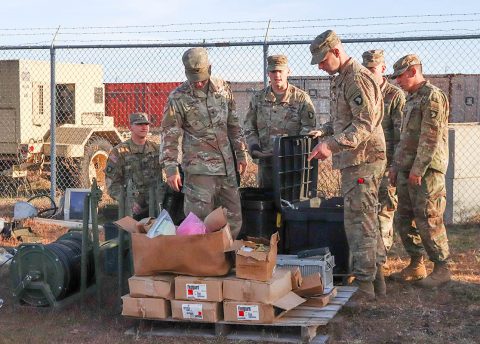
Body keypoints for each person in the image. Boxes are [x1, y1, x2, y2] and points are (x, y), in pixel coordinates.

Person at [307, 30, 386, 300]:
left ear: (337, 52)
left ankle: (365, 286)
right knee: (366, 219)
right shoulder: (342, 78)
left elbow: (364, 124)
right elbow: (346, 120)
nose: (320, 65)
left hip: (363, 160)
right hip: (356, 160)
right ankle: (377, 281)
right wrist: (325, 132)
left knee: (358, 222)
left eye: (322, 59)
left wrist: (330, 145)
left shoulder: (356, 78)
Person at [160, 47, 248, 239]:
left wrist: (241, 154)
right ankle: (201, 265)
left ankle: (225, 260)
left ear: (210, 67)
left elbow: (233, 124)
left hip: (227, 168)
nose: (198, 83)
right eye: (194, 78)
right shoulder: (178, 97)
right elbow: (170, 134)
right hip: (199, 171)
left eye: (201, 76)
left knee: (233, 218)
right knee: (197, 223)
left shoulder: (223, 88)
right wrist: (170, 167)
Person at [388, 54, 451, 287]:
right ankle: (416, 264)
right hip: (407, 169)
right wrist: (395, 166)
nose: (397, 81)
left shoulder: (432, 96)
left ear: (413, 71)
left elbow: (430, 137)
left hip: (426, 171)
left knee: (429, 218)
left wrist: (418, 168)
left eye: (400, 76)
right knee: (404, 219)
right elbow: (404, 139)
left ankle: (442, 267)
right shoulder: (411, 99)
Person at [362, 50, 406, 279]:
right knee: (367, 212)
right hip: (365, 164)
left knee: (384, 211)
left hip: (387, 164)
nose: (369, 72)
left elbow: (401, 135)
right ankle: (372, 259)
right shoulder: (363, 92)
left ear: (382, 68)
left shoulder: (394, 96)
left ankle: (382, 260)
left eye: (373, 69)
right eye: (366, 68)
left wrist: (395, 166)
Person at [243, 54, 316, 188]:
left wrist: (293, 151)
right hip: (266, 162)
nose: (277, 75)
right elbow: (249, 127)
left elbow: (309, 129)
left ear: (288, 72)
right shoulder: (258, 99)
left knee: (290, 204)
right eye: (273, 71)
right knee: (267, 202)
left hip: (292, 163)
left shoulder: (301, 99)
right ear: (268, 74)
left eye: (280, 71)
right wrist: (254, 148)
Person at [105, 112, 162, 220]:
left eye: (146, 124)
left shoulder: (156, 149)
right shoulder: (119, 152)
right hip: (132, 207)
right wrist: (128, 201)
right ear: (130, 127)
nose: (144, 127)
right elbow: (112, 184)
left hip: (155, 203)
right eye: (139, 124)